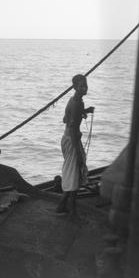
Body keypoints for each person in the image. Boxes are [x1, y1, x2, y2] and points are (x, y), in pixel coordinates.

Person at [56, 74, 95, 217]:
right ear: (75, 87)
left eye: (86, 85)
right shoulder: (77, 104)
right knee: (74, 172)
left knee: (72, 172)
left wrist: (84, 112)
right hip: (72, 140)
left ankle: (62, 206)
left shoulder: (73, 100)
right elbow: (72, 128)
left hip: (67, 139)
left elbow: (65, 119)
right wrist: (78, 153)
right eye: (81, 86)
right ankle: (72, 210)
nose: (84, 88)